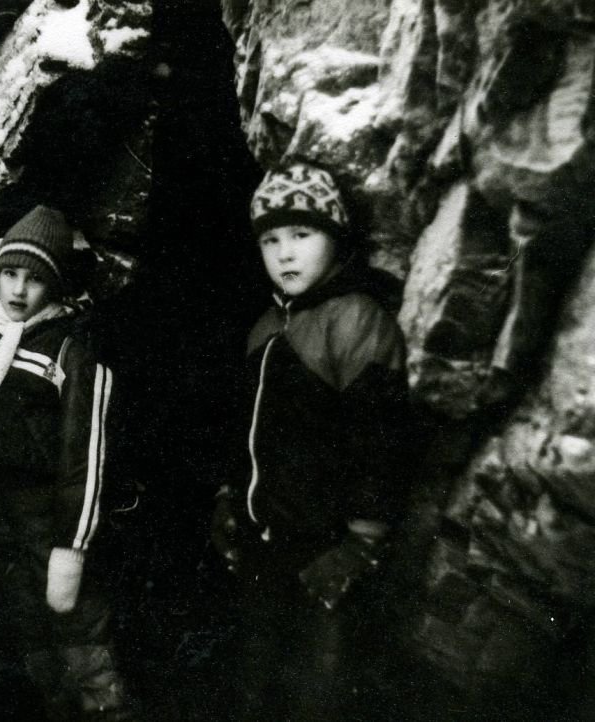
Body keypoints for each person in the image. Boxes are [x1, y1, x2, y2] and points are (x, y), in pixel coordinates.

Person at [211, 162, 411, 720]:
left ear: (336, 239)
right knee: (255, 682)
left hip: (327, 552)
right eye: (270, 240)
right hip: (264, 544)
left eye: (302, 235)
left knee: (318, 691)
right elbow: (245, 430)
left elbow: (383, 439)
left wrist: (361, 543)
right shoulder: (264, 328)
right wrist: (229, 498)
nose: (285, 254)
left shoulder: (356, 320)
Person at [0, 205, 134, 721]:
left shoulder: (74, 348)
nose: (18, 289)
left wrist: (73, 548)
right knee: (34, 647)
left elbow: (87, 453)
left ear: (56, 285)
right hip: (4, 529)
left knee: (81, 639)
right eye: (10, 274)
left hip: (52, 529)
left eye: (35, 279)